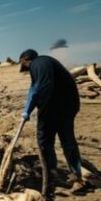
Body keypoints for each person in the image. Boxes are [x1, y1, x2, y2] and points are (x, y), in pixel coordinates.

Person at [19, 49, 82, 182]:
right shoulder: (46, 62)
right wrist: (27, 110)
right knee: (67, 138)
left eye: (22, 63)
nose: (22, 66)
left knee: (44, 139)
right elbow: (34, 88)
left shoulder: (36, 65)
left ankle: (51, 172)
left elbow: (37, 88)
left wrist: (30, 110)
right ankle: (76, 172)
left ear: (25, 59)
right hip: (69, 104)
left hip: (52, 106)